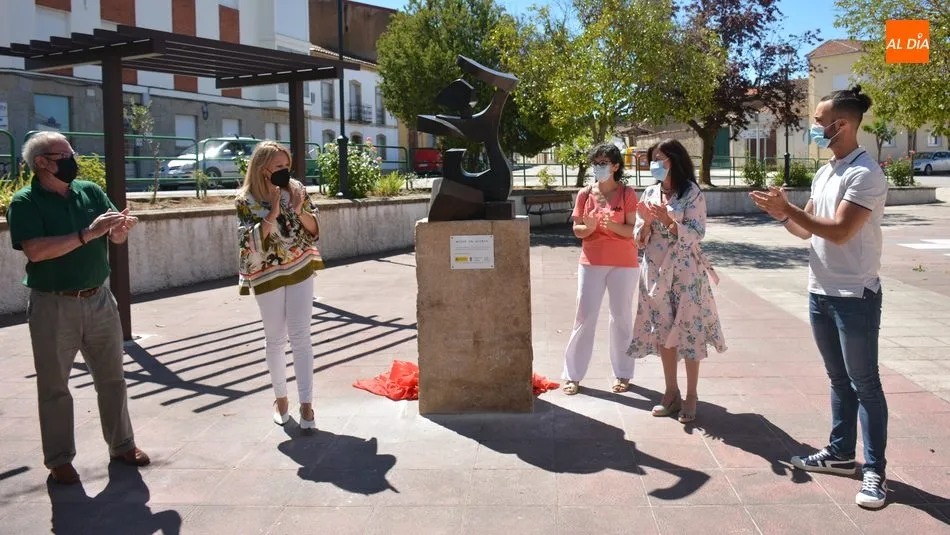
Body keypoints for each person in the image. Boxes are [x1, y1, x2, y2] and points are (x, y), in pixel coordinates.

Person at [751, 85, 889, 509]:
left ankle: (875, 473)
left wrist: (791, 211)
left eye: (817, 120)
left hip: (855, 294)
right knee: (837, 379)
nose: (813, 127)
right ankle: (841, 453)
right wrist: (782, 214)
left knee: (865, 383)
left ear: (841, 124)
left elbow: (842, 231)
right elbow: (808, 229)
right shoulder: (826, 170)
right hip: (821, 291)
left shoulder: (864, 173)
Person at [6, 132, 150, 485]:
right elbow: (36, 251)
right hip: (53, 304)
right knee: (55, 386)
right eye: (65, 154)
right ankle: (59, 459)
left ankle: (122, 444)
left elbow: (112, 234)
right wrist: (88, 233)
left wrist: (119, 231)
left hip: (99, 298)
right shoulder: (25, 201)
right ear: (42, 162)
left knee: (113, 378)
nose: (74, 159)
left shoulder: (89, 191)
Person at [627, 139, 726, 423]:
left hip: (685, 273)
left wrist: (669, 222)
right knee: (663, 331)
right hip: (655, 272)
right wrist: (645, 222)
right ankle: (671, 392)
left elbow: (697, 232)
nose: (654, 164)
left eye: (660, 159)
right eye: (652, 159)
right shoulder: (648, 192)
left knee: (689, 330)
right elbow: (638, 239)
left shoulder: (692, 192)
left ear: (675, 160)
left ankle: (691, 395)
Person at [236, 141, 322, 429]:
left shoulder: (296, 189)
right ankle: (281, 399)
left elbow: (314, 230)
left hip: (299, 265)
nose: (285, 171)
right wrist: (272, 212)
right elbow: (250, 243)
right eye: (279, 167)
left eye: (287, 165)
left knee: (301, 335)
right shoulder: (245, 200)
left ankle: (307, 406)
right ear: (263, 170)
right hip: (267, 273)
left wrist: (297, 210)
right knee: (275, 338)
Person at [562, 143, 640, 395]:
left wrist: (611, 226)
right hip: (591, 261)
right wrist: (591, 227)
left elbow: (632, 231)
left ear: (616, 166)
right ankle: (572, 375)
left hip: (624, 264)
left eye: (604, 163)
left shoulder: (627, 193)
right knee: (584, 317)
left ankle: (623, 374)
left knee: (621, 318)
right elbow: (577, 230)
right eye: (596, 163)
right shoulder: (585, 194)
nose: (598, 167)